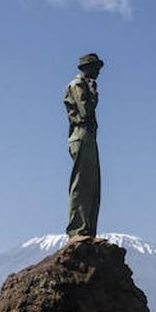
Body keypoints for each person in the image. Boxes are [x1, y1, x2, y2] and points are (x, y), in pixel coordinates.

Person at [64, 52, 103, 239]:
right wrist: (93, 93)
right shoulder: (77, 85)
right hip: (81, 134)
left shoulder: (84, 86)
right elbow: (85, 111)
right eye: (95, 68)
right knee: (82, 183)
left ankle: (88, 228)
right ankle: (77, 228)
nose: (98, 72)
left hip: (89, 136)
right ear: (87, 68)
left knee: (92, 184)